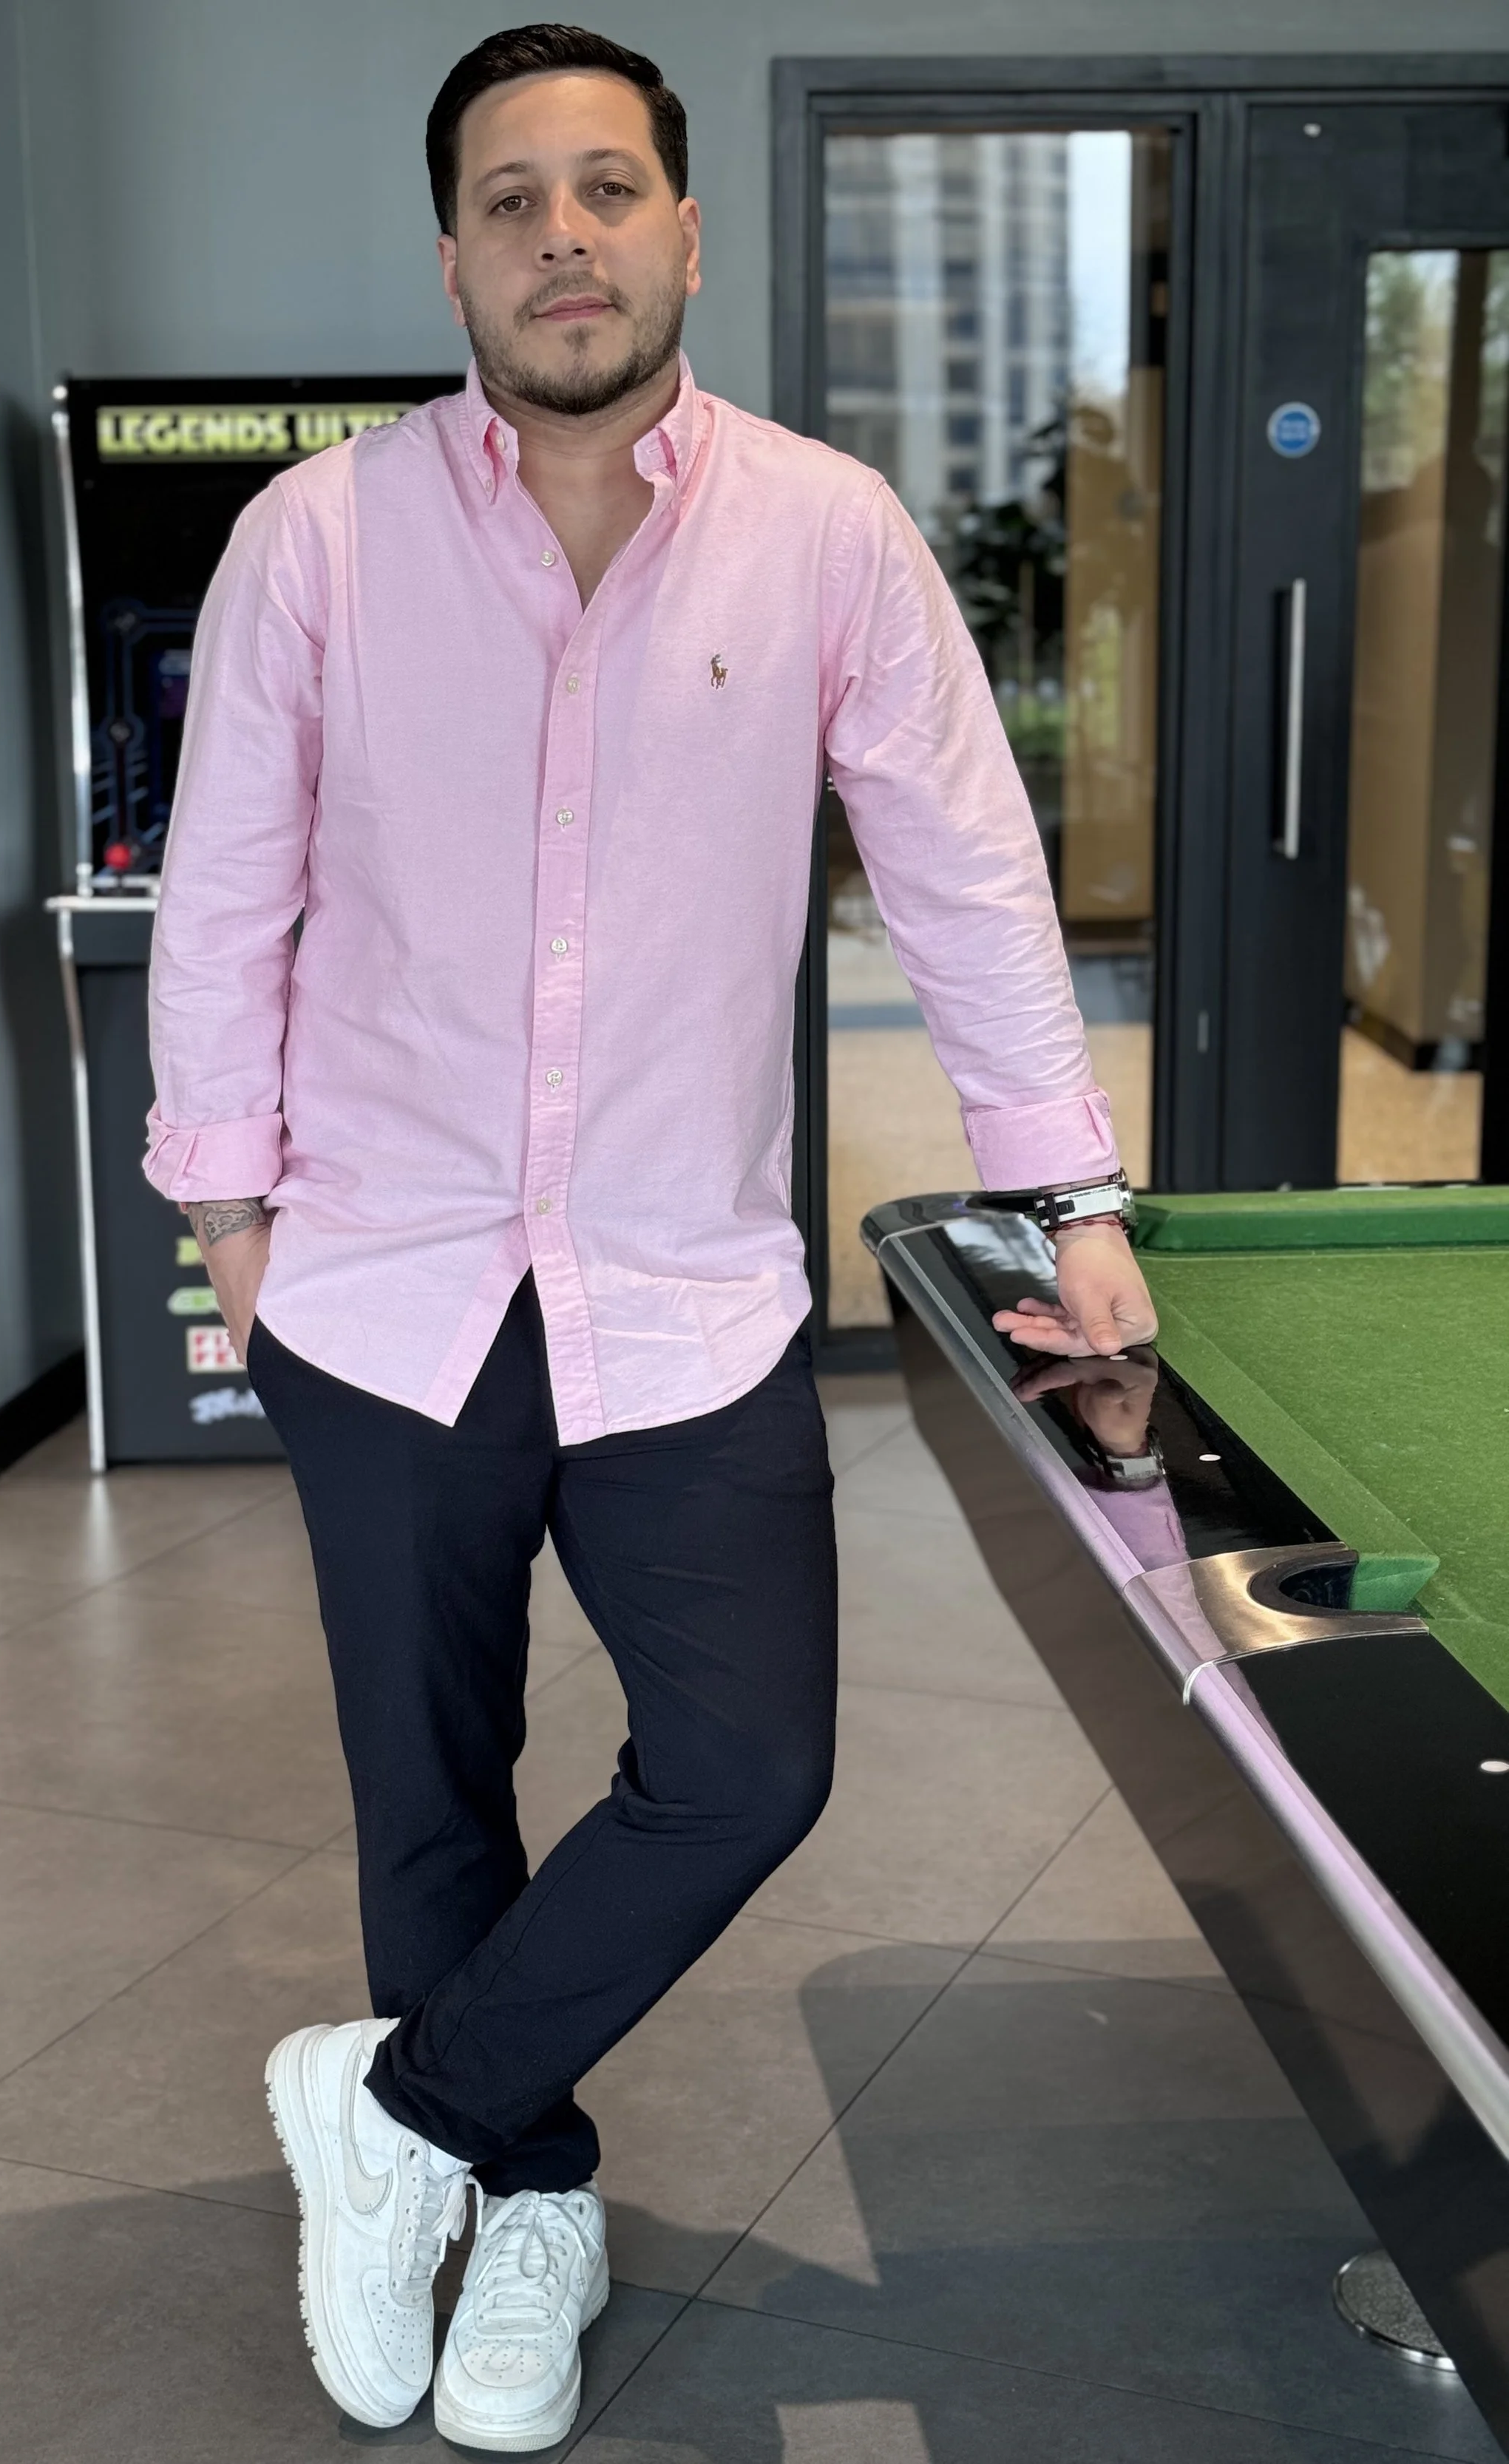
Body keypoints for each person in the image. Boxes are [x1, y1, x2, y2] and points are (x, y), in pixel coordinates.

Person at [145, 22, 1159, 2450]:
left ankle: (389, 2112)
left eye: (607, 187)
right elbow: (229, 892)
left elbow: (964, 872)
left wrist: (1071, 1191)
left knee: (744, 1759)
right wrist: (225, 1220)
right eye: (512, 199)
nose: (562, 235)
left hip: (684, 1291)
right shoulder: (317, 534)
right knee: (435, 1791)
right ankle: (533, 2199)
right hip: (380, 1285)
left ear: (684, 233)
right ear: (455, 258)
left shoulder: (824, 532)